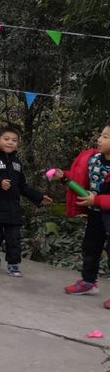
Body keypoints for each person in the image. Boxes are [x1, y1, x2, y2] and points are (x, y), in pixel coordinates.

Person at [0, 127, 52, 277]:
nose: (10, 142)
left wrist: (39, 197)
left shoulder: (17, 163)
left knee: (14, 238)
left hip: (12, 208)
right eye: (6, 139)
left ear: (17, 145)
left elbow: (22, 186)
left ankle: (13, 264)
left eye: (14, 140)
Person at [54, 123, 110, 306]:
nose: (99, 139)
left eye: (105, 137)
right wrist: (64, 176)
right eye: (101, 135)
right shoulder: (93, 160)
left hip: (104, 211)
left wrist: (97, 200)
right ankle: (88, 282)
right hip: (96, 214)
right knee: (90, 247)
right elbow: (79, 178)